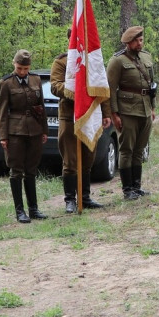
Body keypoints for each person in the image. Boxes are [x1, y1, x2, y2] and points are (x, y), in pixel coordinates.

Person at [51, 46, 112, 211]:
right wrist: (75, 90)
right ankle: (70, 200)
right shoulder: (62, 61)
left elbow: (102, 87)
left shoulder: (93, 60)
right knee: (70, 161)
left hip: (90, 115)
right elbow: (55, 86)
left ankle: (85, 198)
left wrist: (106, 113)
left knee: (88, 158)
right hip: (69, 116)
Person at [0, 50, 49, 223]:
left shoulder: (35, 79)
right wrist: (3, 136)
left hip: (34, 129)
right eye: (20, 68)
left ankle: (34, 209)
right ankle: (20, 211)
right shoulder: (6, 83)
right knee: (16, 171)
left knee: (31, 170)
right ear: (14, 65)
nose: (23, 72)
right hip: (15, 132)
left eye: (26, 68)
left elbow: (41, 107)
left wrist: (44, 130)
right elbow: (2, 112)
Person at [106, 26, 155, 200]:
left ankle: (137, 186)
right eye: (137, 41)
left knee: (139, 150)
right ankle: (127, 190)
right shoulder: (117, 61)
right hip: (127, 111)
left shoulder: (146, 57)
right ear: (129, 42)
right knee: (126, 149)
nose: (140, 43)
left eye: (141, 40)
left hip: (145, 109)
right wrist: (114, 113)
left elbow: (151, 85)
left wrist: (153, 107)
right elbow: (110, 89)